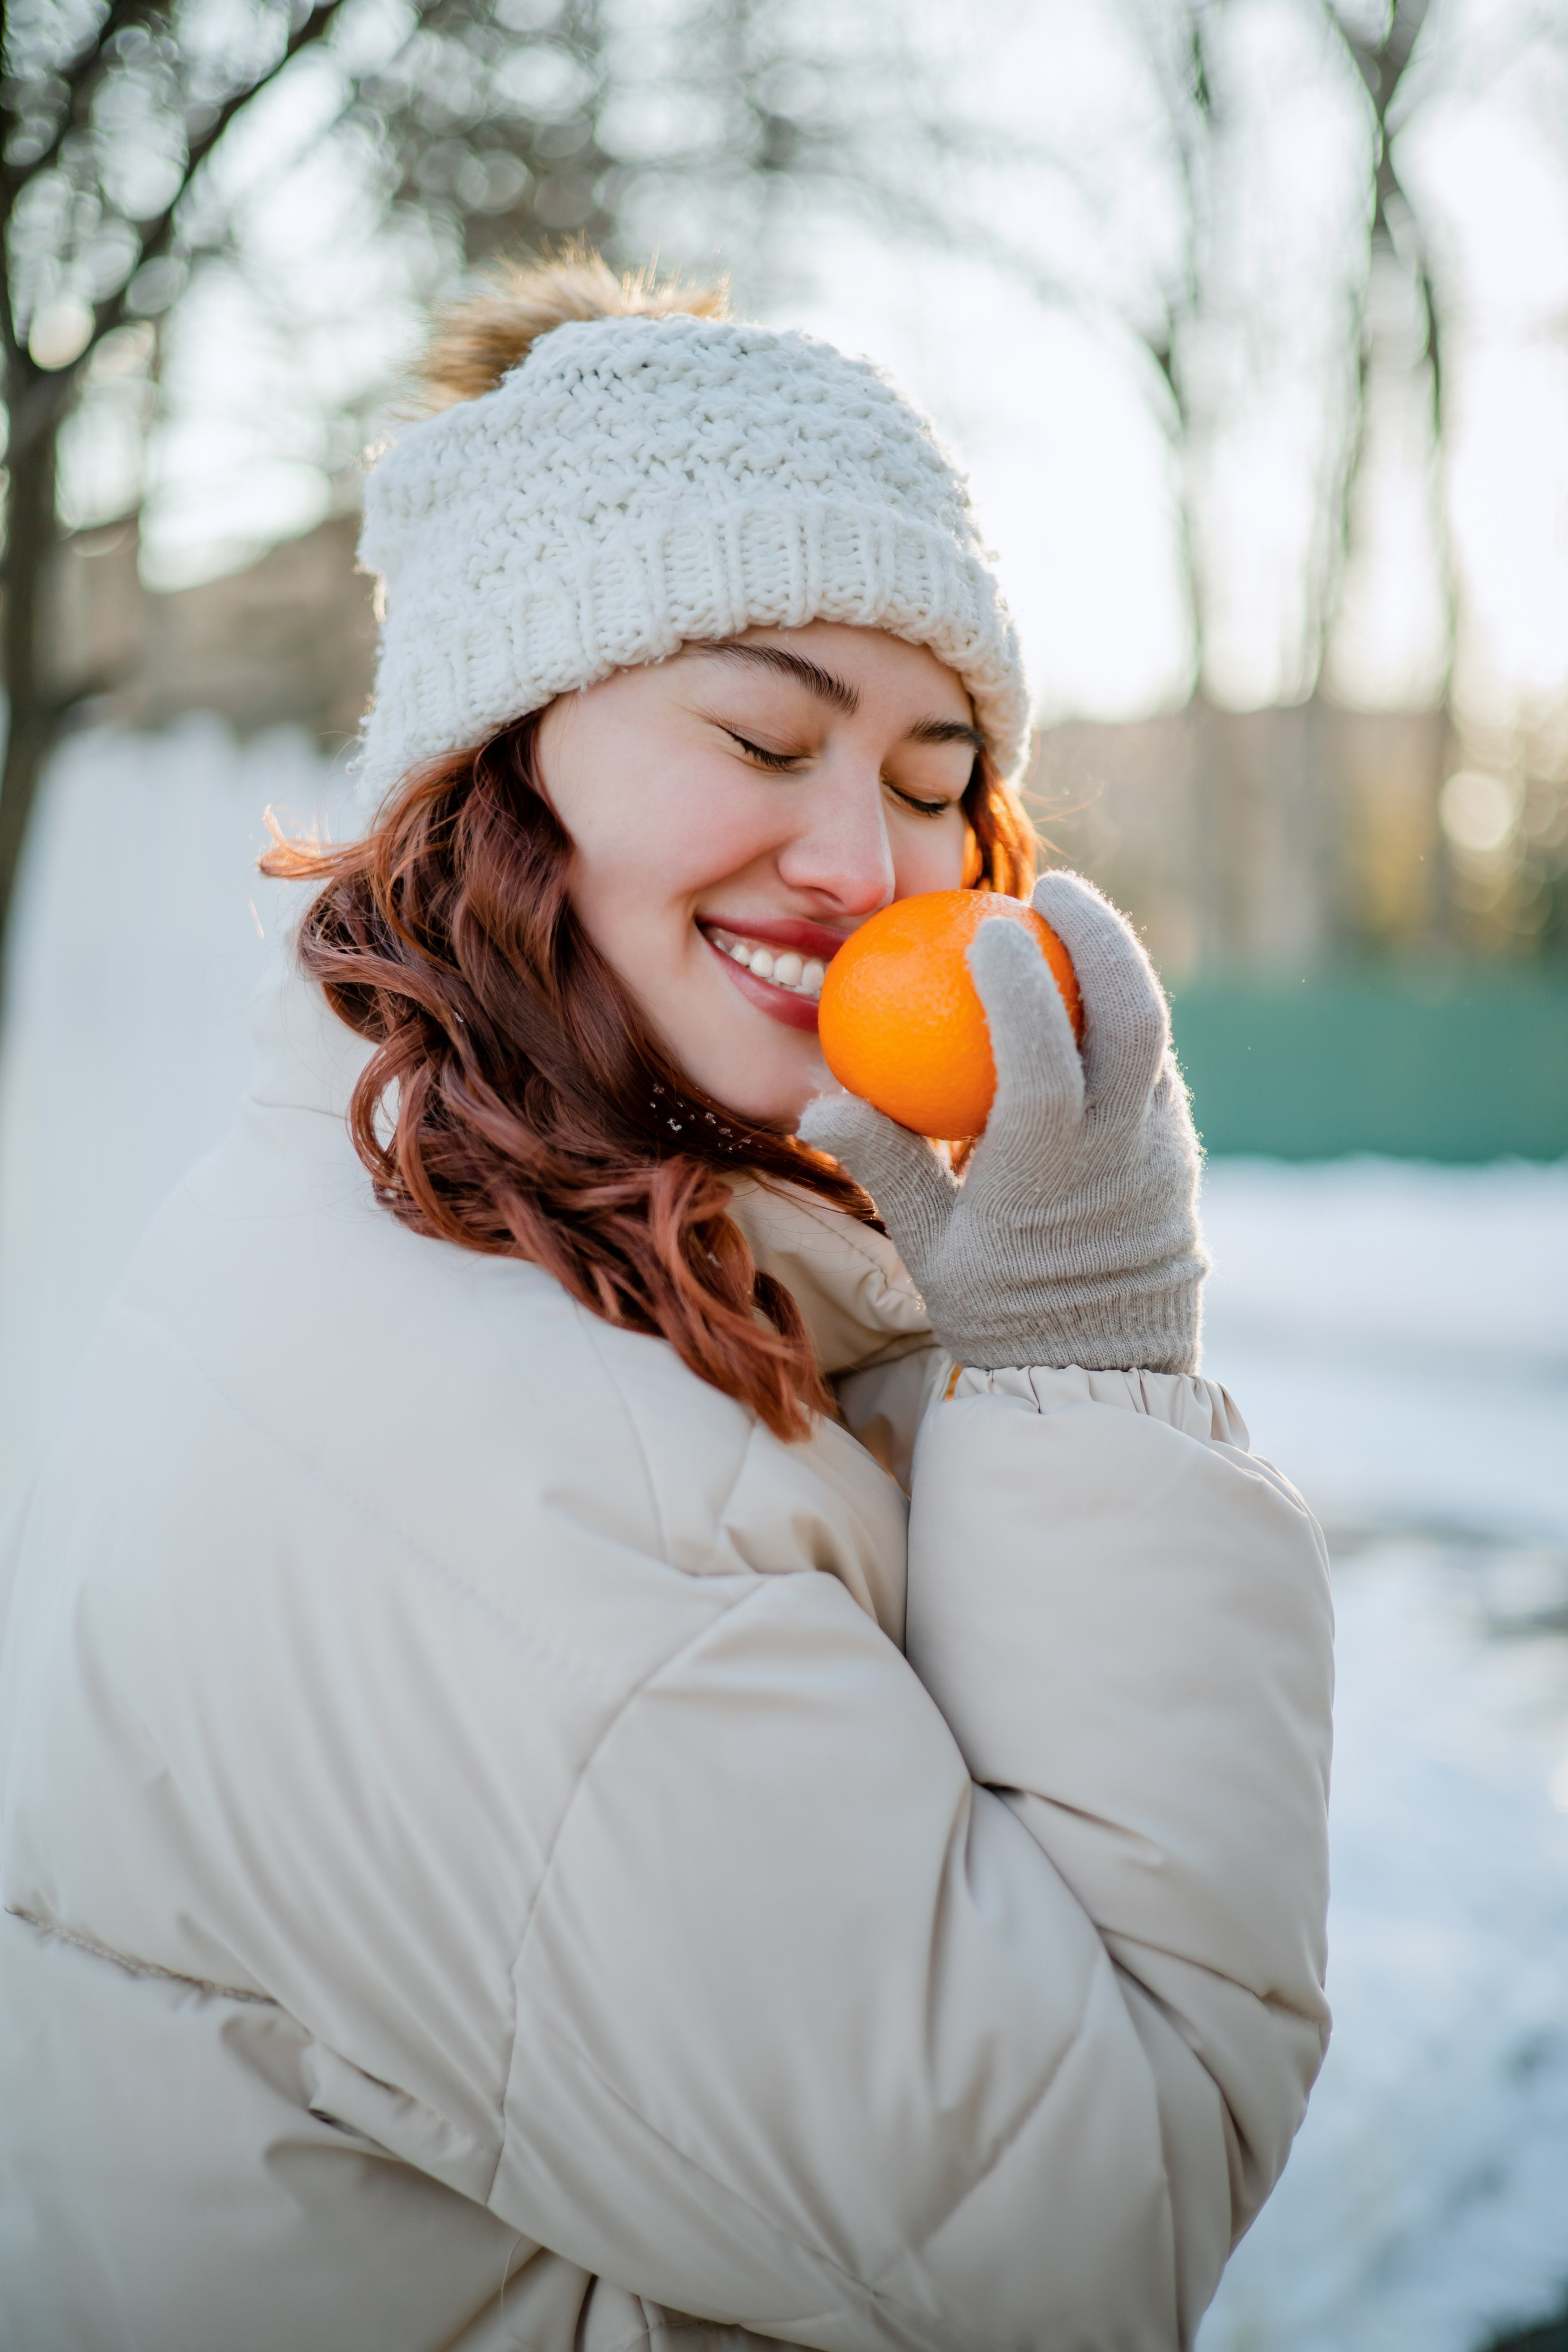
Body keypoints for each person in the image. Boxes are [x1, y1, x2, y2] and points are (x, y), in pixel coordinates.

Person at [0, 256, 1332, 2352]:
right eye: (762, 729)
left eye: (929, 773)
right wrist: (1085, 1367)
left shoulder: (500, 1231)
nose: (870, 861)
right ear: (501, 746)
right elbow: (1098, 2231)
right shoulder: (498, 1470)